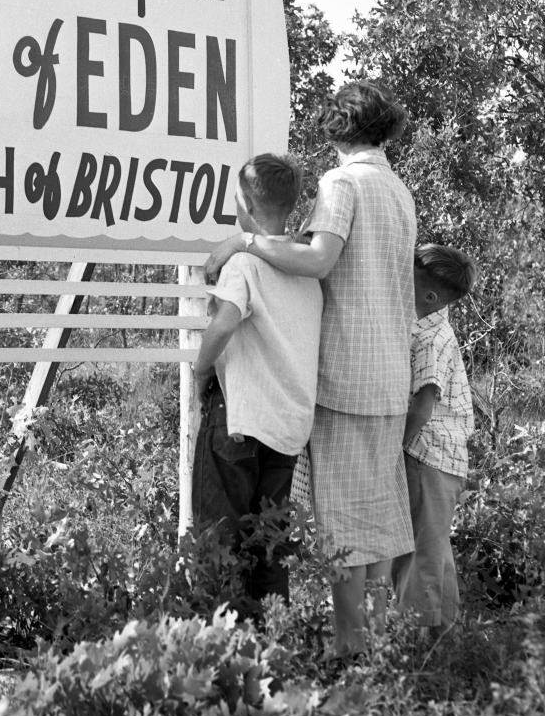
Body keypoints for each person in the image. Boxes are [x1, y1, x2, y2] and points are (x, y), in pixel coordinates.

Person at [205, 81, 417, 656]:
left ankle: (352, 651)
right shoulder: (398, 190)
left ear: (336, 127)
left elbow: (320, 259)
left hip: (346, 374)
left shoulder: (342, 182)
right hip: (390, 371)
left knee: (344, 525)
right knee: (375, 518)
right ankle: (375, 643)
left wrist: (241, 244)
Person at [191, 154, 323, 608]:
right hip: (287, 427)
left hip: (239, 417)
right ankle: (270, 644)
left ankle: (220, 643)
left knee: (218, 540)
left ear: (243, 205)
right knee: (270, 544)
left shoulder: (243, 264)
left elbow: (225, 323)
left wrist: (201, 372)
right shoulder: (308, 274)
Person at [392, 243, 478, 637]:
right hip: (441, 459)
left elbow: (422, 409)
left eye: (406, 280)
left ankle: (415, 643)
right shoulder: (429, 320)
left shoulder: (430, 338)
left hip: (428, 455)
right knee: (434, 550)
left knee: (420, 555)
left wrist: (390, 451)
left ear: (429, 296)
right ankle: (444, 640)